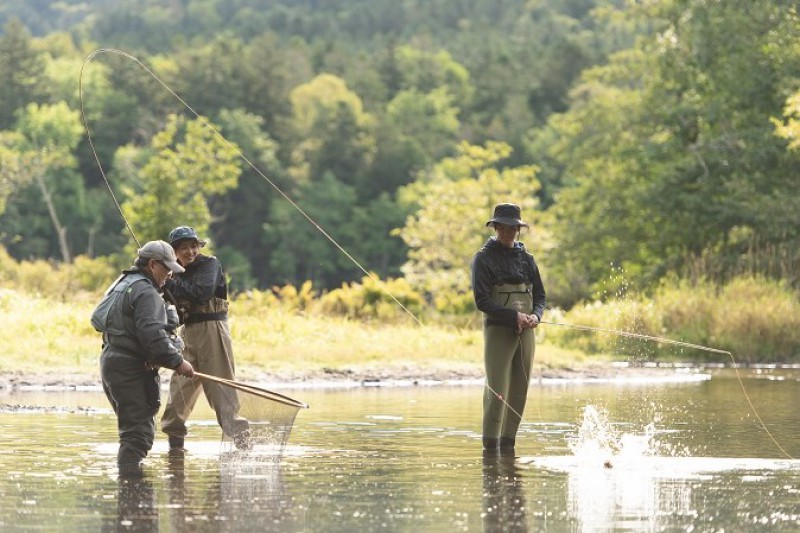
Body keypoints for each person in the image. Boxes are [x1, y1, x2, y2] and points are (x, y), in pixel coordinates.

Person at [92, 240, 195, 477]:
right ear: (152, 264)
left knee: (132, 431)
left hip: (111, 363)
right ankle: (132, 499)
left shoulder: (122, 283)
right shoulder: (146, 292)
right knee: (137, 435)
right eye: (167, 268)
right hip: (130, 369)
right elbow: (153, 338)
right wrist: (178, 362)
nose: (170, 274)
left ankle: (129, 500)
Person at [159, 226, 249, 453]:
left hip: (213, 332)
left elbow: (201, 292)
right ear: (175, 252)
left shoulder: (211, 265)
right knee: (177, 397)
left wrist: (169, 282)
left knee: (223, 396)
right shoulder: (174, 272)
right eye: (183, 248)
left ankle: (245, 449)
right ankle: (175, 453)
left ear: (199, 247)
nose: (190, 251)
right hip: (187, 335)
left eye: (193, 246)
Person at [471, 203, 546, 454]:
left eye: (512, 228)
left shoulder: (528, 259)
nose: (507, 232)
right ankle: (490, 450)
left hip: (527, 331)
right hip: (498, 330)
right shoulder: (483, 258)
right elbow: (482, 301)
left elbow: (541, 297)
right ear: (495, 227)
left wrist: (535, 316)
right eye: (501, 227)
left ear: (518, 229)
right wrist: (513, 316)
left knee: (520, 391)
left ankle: (508, 447)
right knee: (498, 392)